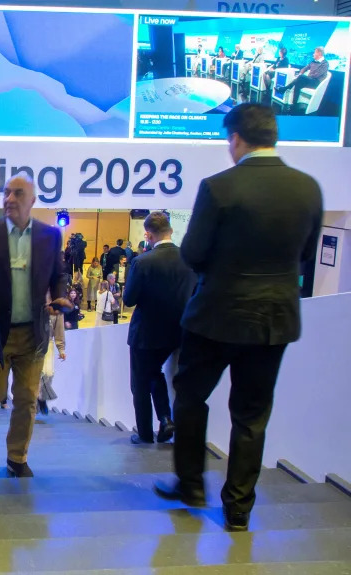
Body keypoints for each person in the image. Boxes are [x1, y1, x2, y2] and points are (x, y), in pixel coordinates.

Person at [153, 104, 323, 532]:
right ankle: (239, 510)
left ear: (236, 139)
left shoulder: (218, 188)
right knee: (252, 414)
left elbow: (192, 254)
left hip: (216, 316)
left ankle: (191, 484)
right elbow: (306, 254)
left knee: (190, 396)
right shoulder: (308, 189)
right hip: (275, 319)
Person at [0, 174, 70, 478]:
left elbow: (58, 273)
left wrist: (61, 295)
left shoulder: (50, 236)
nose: (9, 199)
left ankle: (17, 457)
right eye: (5, 193)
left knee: (27, 398)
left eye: (17, 194)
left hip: (33, 334)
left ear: (32, 200)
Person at [122, 212, 196, 446]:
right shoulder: (188, 259)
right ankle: (165, 419)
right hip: (177, 333)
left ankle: (144, 434)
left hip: (145, 334)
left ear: (148, 234)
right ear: (171, 231)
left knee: (140, 385)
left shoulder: (142, 262)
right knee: (155, 373)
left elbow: (129, 299)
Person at [38, 312, 66, 416]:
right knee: (33, 375)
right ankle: (34, 403)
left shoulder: (57, 310)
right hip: (31, 343)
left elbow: (59, 331)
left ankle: (41, 399)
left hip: (47, 344)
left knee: (47, 374)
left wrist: (61, 349)